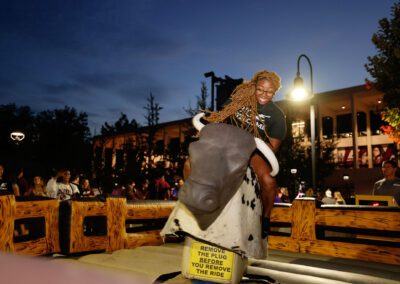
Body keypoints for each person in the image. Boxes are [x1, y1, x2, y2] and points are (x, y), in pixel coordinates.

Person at [205, 70, 286, 238]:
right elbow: (220, 119)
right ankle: (194, 208)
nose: (264, 94)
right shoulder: (238, 99)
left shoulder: (277, 115)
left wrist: (252, 141)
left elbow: (272, 149)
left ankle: (265, 219)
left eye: (269, 91)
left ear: (275, 91)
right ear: (254, 86)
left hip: (254, 152)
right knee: (192, 162)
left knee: (269, 181)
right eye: (260, 89)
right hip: (229, 145)